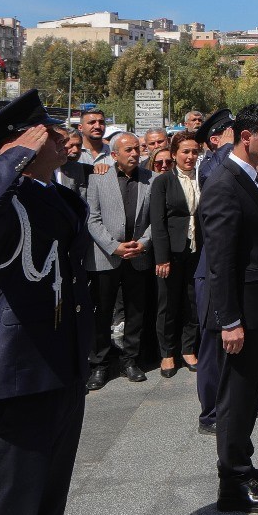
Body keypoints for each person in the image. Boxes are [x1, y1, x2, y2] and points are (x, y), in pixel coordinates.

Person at [0, 91, 92, 515]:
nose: (62, 138)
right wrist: (13, 157)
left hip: (61, 372)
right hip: (15, 383)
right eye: (48, 133)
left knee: (45, 512)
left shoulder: (57, 197)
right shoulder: (2, 204)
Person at [198, 105, 258, 514]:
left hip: (256, 309)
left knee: (248, 394)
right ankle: (232, 484)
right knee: (235, 398)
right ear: (246, 137)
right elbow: (220, 261)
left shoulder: (248, 177)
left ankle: (244, 466)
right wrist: (229, 320)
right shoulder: (224, 183)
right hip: (241, 315)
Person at [84, 132, 154, 389]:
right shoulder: (98, 178)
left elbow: (155, 219)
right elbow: (92, 218)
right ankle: (100, 364)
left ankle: (130, 360)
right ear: (114, 155)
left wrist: (143, 243)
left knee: (136, 311)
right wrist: (114, 247)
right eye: (128, 150)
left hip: (137, 255)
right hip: (105, 257)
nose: (134, 153)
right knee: (102, 312)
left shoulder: (151, 179)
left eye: (137, 149)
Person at [150, 132, 203, 378]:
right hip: (171, 251)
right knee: (168, 303)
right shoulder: (163, 182)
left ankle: (188, 349)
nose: (190, 156)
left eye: (194, 152)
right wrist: (162, 257)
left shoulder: (202, 178)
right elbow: (158, 222)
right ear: (174, 154)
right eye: (185, 151)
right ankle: (167, 352)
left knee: (192, 301)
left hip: (197, 249)